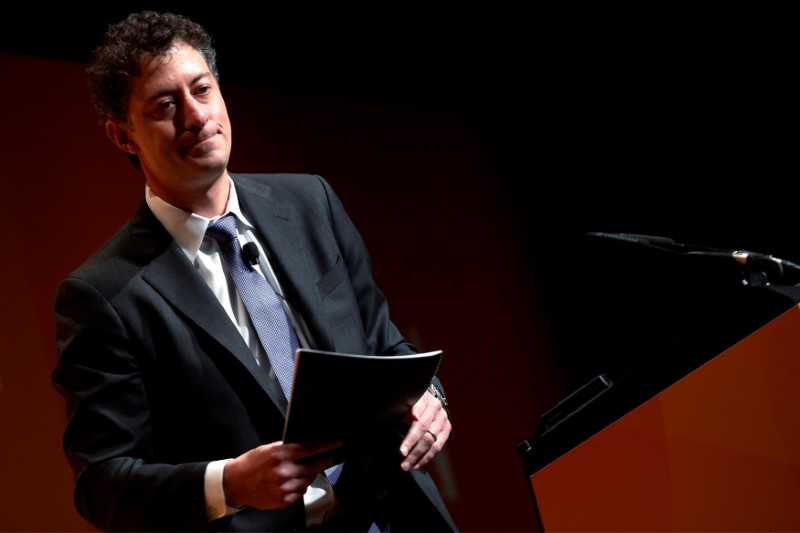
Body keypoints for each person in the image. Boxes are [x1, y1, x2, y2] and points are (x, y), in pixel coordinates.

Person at [51, 10, 456, 532]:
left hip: (394, 515)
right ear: (122, 136)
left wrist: (429, 398)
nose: (197, 117)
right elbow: (102, 485)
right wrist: (229, 484)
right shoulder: (103, 294)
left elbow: (385, 346)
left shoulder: (311, 203)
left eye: (202, 90)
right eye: (166, 105)